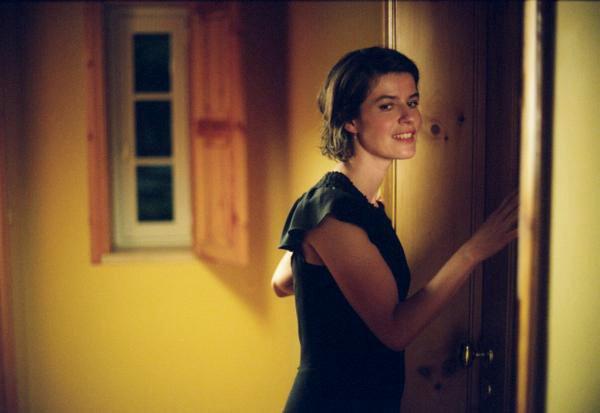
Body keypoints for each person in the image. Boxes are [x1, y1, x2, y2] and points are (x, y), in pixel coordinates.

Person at [271, 47, 518, 412]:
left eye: (412, 102)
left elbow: (282, 281)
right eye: (387, 105)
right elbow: (396, 331)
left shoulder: (348, 206)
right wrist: (473, 252)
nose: (410, 117)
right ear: (349, 119)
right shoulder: (334, 215)